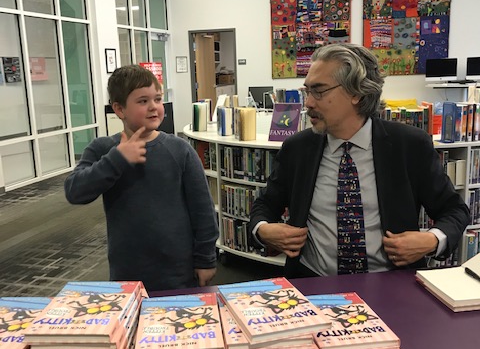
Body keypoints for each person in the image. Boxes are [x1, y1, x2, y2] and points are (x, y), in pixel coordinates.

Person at [249, 43, 470, 278]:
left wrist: (431, 240)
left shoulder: (409, 145)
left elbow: (454, 210)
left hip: (391, 284)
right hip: (312, 282)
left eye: (319, 91)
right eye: (307, 91)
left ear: (357, 93)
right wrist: (263, 230)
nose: (309, 103)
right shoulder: (297, 148)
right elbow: (265, 206)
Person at [65, 64, 218, 292]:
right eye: (143, 101)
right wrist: (117, 159)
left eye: (157, 99)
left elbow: (203, 210)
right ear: (119, 109)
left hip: (178, 270)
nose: (153, 107)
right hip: (127, 271)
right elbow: (75, 191)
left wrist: (206, 259)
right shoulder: (104, 149)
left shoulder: (180, 150)